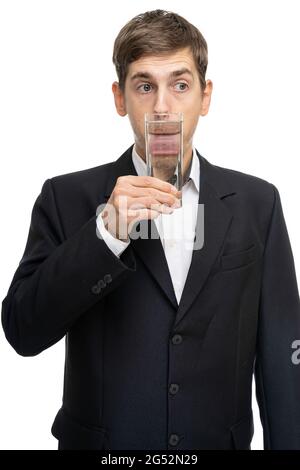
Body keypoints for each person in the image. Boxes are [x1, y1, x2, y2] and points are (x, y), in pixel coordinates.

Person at [2, 9, 300, 450]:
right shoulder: (66, 199)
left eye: (180, 85)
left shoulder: (259, 203)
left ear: (205, 96)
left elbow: (282, 356)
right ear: (120, 99)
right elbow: (23, 332)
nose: (162, 106)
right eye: (145, 86)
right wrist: (106, 234)